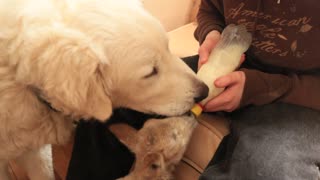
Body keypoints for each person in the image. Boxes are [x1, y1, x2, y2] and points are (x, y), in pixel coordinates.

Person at [189, 0, 320, 179]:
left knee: (272, 170)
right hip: (231, 68)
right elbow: (211, 9)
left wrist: (258, 87)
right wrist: (212, 34)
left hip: (299, 95)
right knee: (140, 94)